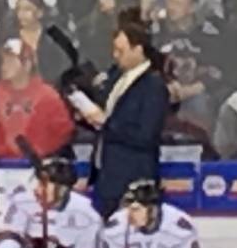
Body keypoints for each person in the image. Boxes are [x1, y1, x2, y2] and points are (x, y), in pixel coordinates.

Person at [66, 16, 167, 211]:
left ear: (138, 50)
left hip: (132, 179)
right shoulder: (116, 78)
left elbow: (145, 135)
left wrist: (105, 122)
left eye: (120, 51)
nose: (115, 55)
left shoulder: (153, 86)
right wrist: (88, 117)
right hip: (105, 176)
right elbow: (107, 119)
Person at [0, 154, 102, 248]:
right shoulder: (21, 202)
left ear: (63, 189)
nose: (37, 190)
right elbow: (9, 234)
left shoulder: (87, 214)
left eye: (44, 185)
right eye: (39, 183)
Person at [100, 180, 203, 248]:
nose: (130, 214)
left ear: (152, 209)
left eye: (136, 209)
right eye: (128, 208)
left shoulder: (179, 226)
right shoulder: (116, 226)